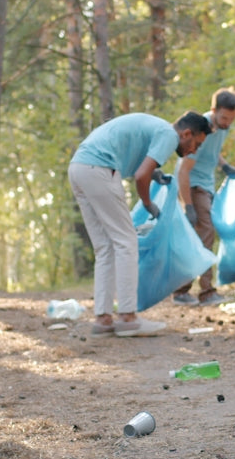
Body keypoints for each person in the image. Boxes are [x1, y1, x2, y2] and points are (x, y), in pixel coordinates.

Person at [69, 111, 212, 337]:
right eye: (196, 143)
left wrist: (154, 175)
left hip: (79, 167)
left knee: (105, 247)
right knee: (126, 242)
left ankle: (103, 319)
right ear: (186, 133)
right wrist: (147, 203)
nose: (194, 150)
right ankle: (127, 317)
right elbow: (140, 176)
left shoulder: (157, 129)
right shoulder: (168, 135)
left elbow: (142, 167)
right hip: (100, 168)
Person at [172, 87, 235, 307]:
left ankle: (185, 290)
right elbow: (184, 170)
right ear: (213, 111)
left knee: (201, 234)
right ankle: (202, 291)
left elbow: (213, 151)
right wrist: (188, 206)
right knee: (205, 231)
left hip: (205, 183)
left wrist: (224, 165)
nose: (227, 123)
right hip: (192, 184)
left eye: (231, 119)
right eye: (223, 118)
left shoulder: (222, 127)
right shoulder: (199, 128)